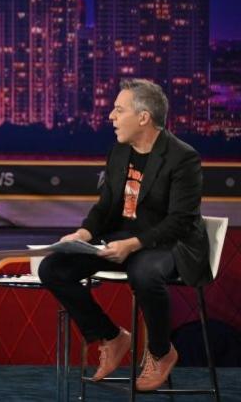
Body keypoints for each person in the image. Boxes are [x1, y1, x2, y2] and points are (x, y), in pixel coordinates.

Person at [39, 79, 211, 391]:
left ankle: (161, 352)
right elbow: (106, 206)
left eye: (119, 110)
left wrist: (133, 244)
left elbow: (180, 221)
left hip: (170, 244)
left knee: (142, 271)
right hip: (125, 237)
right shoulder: (120, 152)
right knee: (53, 268)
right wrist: (83, 232)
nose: (111, 117)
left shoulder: (183, 158)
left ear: (143, 117)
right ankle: (111, 337)